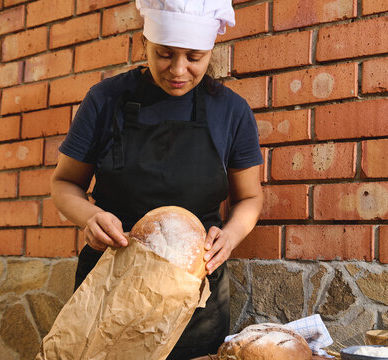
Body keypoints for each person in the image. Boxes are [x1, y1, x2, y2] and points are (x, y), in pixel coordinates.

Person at [50, 0, 264, 358]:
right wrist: (89, 218)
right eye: (165, 54)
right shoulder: (106, 100)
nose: (178, 70)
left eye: (194, 58)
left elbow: (249, 198)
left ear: (210, 51)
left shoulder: (231, 111)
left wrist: (230, 235)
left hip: (194, 292)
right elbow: (64, 183)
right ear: (144, 43)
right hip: (109, 283)